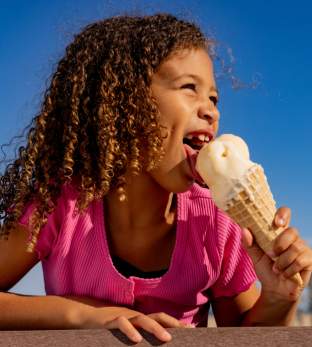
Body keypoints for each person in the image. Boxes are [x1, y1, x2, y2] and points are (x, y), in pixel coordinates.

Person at [0, 13, 311, 343]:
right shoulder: (60, 205)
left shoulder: (217, 222)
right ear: (123, 104)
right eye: (189, 88)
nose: (211, 110)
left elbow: (245, 339)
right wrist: (87, 314)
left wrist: (279, 296)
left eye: (214, 98)